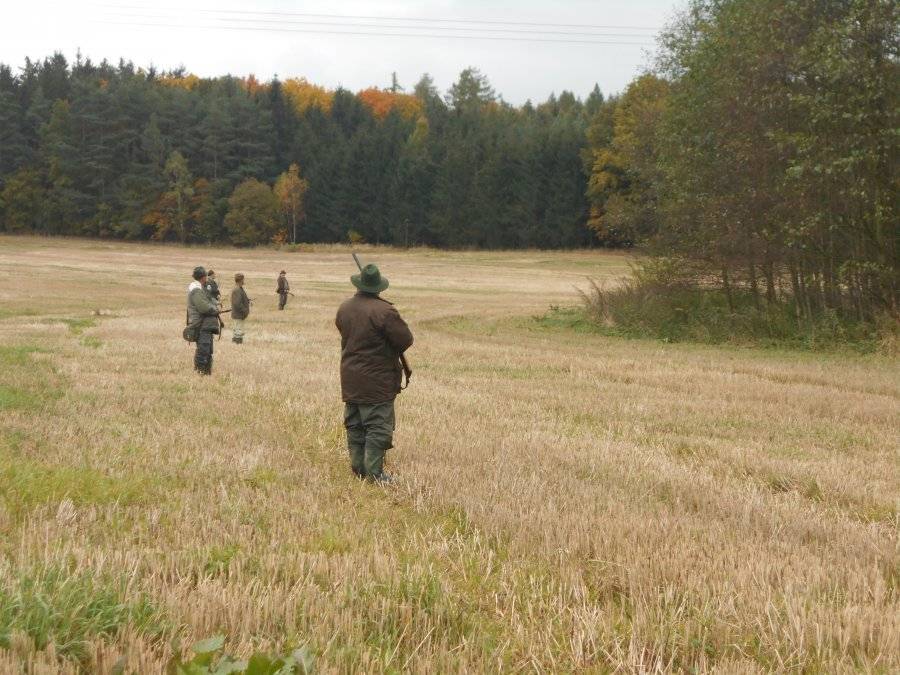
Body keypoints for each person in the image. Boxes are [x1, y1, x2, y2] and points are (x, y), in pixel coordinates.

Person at [335, 263, 413, 482]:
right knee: (377, 426)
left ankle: (358, 467)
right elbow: (406, 340)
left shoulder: (344, 307)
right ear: (378, 287)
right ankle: (374, 474)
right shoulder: (385, 311)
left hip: (350, 377)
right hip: (377, 380)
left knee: (355, 424)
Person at [187, 266, 221, 375]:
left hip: (205, 324)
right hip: (201, 324)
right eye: (205, 276)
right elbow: (203, 308)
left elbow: (209, 300)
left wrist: (216, 303)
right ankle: (200, 373)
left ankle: (206, 374)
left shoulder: (201, 288)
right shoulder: (196, 290)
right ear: (203, 277)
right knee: (203, 350)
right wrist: (215, 309)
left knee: (208, 351)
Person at [230, 273, 251, 344]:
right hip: (238, 315)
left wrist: (247, 300)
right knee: (238, 332)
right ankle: (237, 344)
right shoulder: (237, 290)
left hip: (239, 314)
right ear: (240, 280)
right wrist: (245, 310)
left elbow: (239, 301)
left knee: (238, 331)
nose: (244, 281)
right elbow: (237, 304)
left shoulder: (239, 289)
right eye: (243, 279)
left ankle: (235, 345)